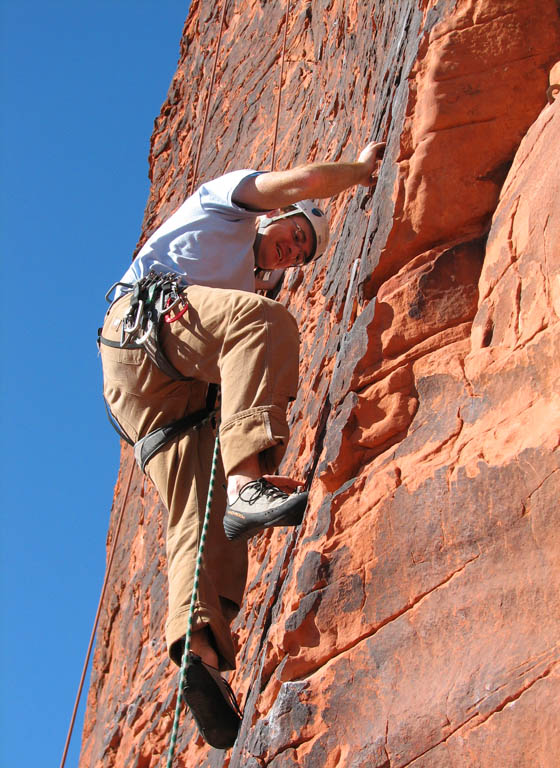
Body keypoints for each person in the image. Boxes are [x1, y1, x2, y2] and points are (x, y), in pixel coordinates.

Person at [99, 140, 385, 749]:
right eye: (295, 233)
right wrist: (357, 172)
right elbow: (299, 179)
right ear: (277, 218)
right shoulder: (226, 206)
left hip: (155, 399)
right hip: (147, 331)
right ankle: (249, 481)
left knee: (203, 525)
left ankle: (197, 653)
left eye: (303, 253)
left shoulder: (247, 282)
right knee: (265, 322)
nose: (294, 249)